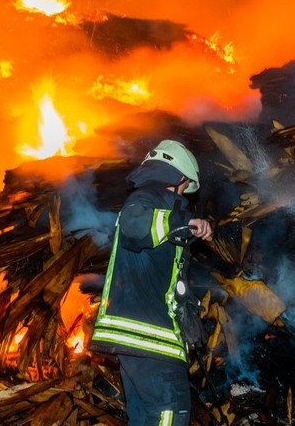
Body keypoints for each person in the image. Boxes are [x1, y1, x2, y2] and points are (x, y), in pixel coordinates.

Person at [89, 139, 213, 426]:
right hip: (149, 339)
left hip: (143, 341)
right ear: (180, 177)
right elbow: (134, 226)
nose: (185, 195)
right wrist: (179, 221)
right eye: (184, 188)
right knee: (170, 412)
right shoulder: (147, 199)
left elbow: (165, 282)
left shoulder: (160, 208)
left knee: (146, 418)